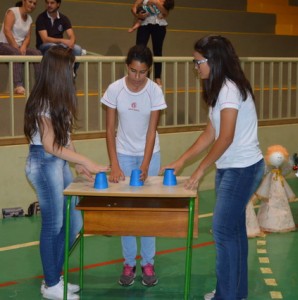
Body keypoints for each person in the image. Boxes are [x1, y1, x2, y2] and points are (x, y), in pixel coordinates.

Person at [161, 35, 265, 300]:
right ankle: (234, 292)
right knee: (234, 231)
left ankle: (226, 295)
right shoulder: (220, 89)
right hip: (232, 168)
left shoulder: (229, 89)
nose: (196, 67)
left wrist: (199, 171)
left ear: (214, 61)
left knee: (222, 230)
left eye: (198, 62)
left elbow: (226, 137)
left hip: (242, 169)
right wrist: (182, 160)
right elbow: (211, 132)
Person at [24, 46, 109, 300]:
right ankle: (51, 283)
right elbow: (50, 145)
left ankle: (53, 277)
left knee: (74, 222)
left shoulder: (60, 97)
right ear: (60, 70)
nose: (74, 71)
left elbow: (65, 140)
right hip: (43, 162)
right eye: (71, 67)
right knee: (54, 224)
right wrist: (88, 161)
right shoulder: (41, 101)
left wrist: (80, 166)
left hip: (58, 162)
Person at [100, 44, 167, 287]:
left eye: (143, 72)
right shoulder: (115, 89)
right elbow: (109, 130)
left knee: (148, 211)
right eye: (133, 71)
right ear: (126, 66)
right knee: (127, 211)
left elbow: (152, 131)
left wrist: (147, 164)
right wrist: (114, 165)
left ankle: (148, 263)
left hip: (150, 153)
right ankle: (129, 263)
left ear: (149, 70)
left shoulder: (154, 91)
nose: (138, 78)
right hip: (123, 154)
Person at [0, 0, 41, 95]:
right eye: (30, 2)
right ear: (23, 1)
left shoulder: (30, 19)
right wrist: (16, 47)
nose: (32, 5)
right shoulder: (12, 11)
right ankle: (18, 85)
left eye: (34, 3)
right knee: (16, 53)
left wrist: (23, 46)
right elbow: (7, 31)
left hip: (18, 47)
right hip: (3, 44)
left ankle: (40, 85)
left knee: (37, 53)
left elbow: (28, 37)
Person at [131, 0, 174, 87]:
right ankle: (141, 74)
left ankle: (157, 77)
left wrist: (156, 3)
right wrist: (138, 15)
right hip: (144, 23)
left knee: (157, 50)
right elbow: (134, 7)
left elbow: (165, 12)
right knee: (140, 50)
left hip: (159, 25)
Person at [35, 0, 83, 75]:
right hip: (44, 47)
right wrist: (63, 41)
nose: (49, 5)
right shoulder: (41, 18)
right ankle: (59, 73)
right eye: (47, 3)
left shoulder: (64, 18)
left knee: (77, 49)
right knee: (54, 47)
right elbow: (45, 39)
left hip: (59, 46)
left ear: (58, 4)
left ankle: (72, 72)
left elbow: (71, 35)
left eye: (52, 3)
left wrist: (71, 42)